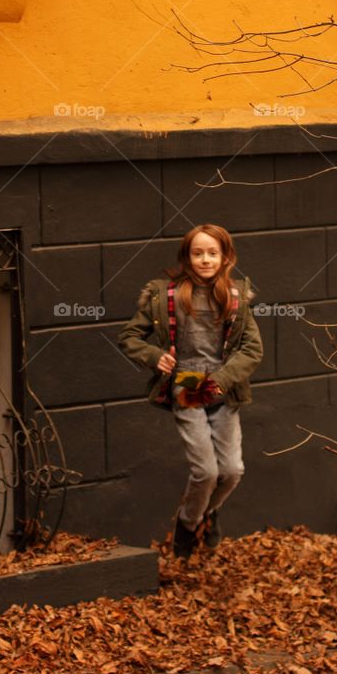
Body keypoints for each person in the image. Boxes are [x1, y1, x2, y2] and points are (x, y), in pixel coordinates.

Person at [118, 223, 263, 558]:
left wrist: (221, 380)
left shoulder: (236, 297)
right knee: (206, 471)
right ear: (187, 256)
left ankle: (207, 513)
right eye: (198, 253)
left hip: (223, 389)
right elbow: (129, 336)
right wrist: (154, 356)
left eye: (213, 253)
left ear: (225, 257)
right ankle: (188, 523)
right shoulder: (166, 295)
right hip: (187, 386)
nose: (205, 259)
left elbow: (252, 349)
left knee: (232, 471)